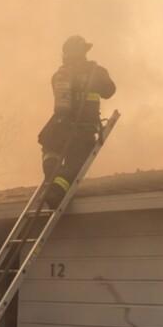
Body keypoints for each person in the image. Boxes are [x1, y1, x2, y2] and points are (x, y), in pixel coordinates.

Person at [38, 35, 116, 208]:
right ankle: (56, 191)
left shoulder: (59, 75)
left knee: (49, 146)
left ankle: (51, 178)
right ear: (84, 52)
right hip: (83, 128)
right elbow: (110, 91)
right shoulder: (96, 71)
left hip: (59, 124)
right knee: (75, 165)